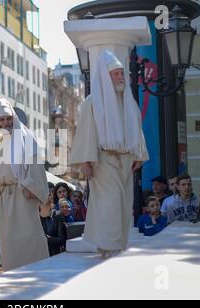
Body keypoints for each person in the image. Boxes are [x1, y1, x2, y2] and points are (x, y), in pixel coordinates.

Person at [69, 49, 149, 258]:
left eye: (122, 73)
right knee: (110, 203)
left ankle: (110, 246)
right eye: (116, 74)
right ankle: (111, 247)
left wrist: (139, 155)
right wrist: (86, 161)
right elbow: (86, 132)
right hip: (103, 161)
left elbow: (136, 128)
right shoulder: (92, 103)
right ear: (105, 75)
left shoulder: (128, 101)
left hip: (126, 160)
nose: (121, 77)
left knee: (122, 205)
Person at [0, 98, 49, 271]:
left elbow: (36, 166)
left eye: (8, 118)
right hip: (4, 200)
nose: (5, 123)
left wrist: (32, 186)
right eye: (1, 120)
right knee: (10, 244)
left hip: (23, 195)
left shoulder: (26, 139)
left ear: (13, 118)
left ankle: (38, 273)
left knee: (30, 237)